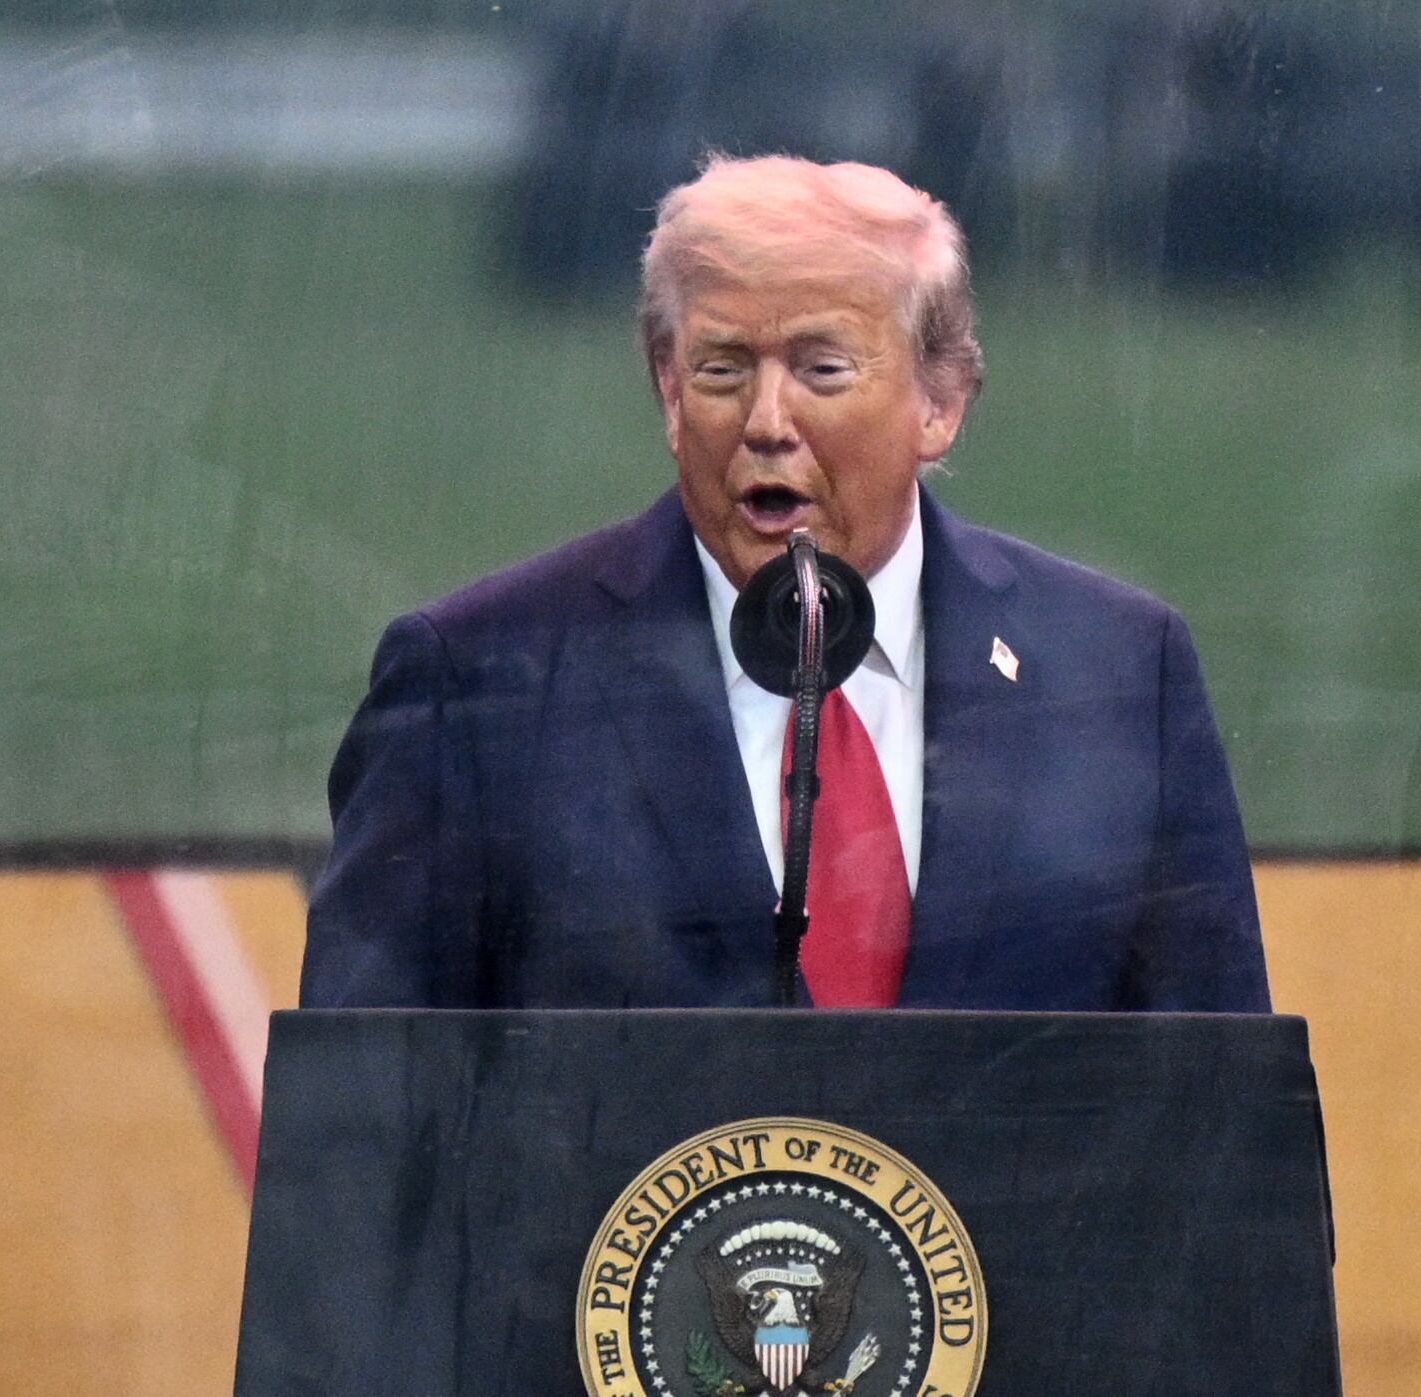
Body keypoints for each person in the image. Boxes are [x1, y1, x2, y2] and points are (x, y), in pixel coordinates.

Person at [300, 154, 1269, 1013]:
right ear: (668, 392)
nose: (766, 420)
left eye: (820, 367)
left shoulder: (1114, 675)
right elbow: (362, 1137)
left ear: (939, 401)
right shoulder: (478, 686)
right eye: (722, 369)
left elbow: (1219, 1123)